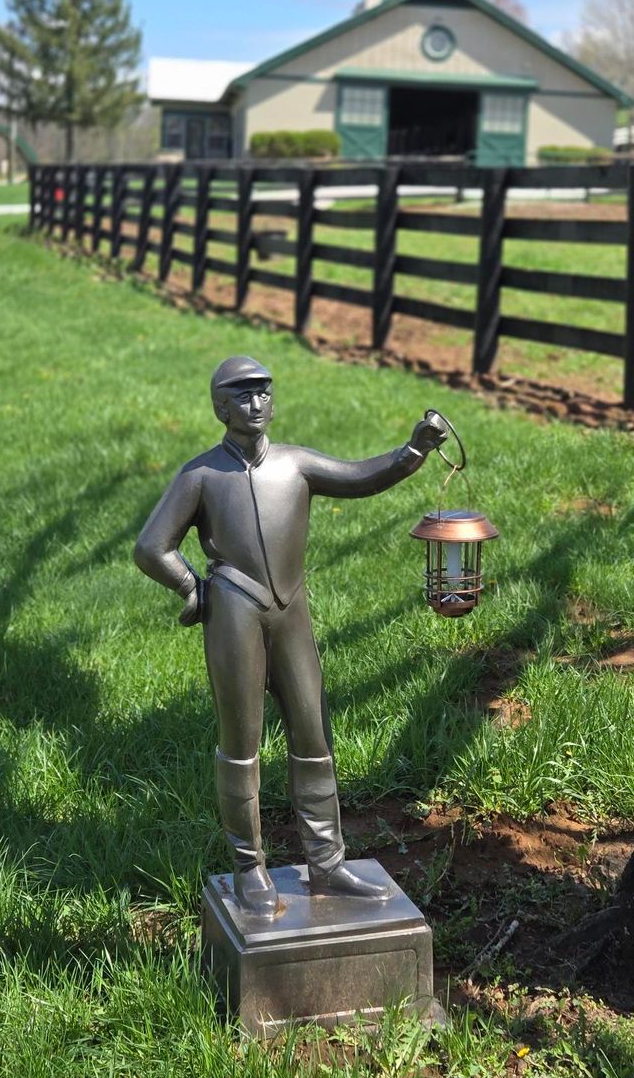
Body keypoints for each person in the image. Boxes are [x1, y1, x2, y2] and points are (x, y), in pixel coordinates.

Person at [134, 356, 448, 920]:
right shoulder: (201, 475)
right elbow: (151, 546)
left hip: (292, 609)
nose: (256, 403)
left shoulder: (296, 465)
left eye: (263, 392)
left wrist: (414, 450)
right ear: (220, 407)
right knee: (241, 739)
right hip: (235, 609)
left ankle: (326, 861)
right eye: (242, 394)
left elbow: (360, 476)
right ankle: (249, 866)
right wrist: (195, 589)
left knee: (313, 730)